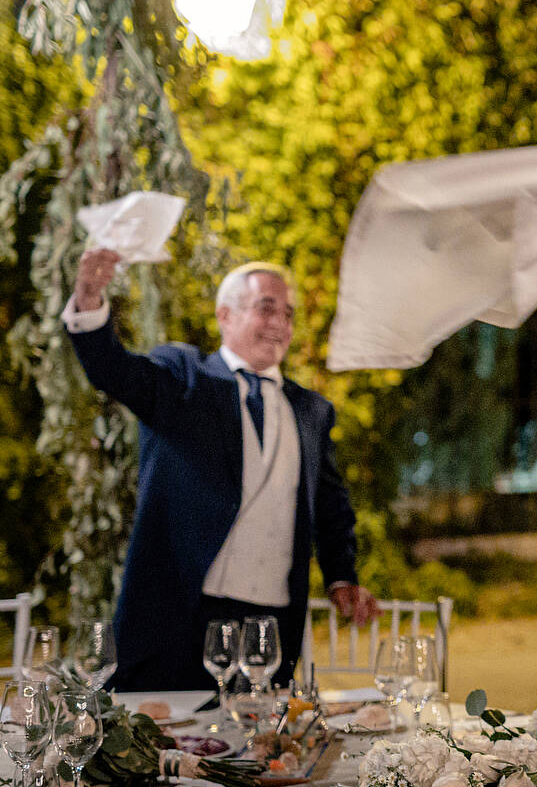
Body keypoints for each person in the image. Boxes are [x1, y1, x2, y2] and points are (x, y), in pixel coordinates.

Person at [64, 248, 379, 692]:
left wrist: (341, 575)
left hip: (271, 623)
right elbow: (115, 371)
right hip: (183, 616)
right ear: (225, 315)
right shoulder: (183, 378)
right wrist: (90, 299)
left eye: (288, 314)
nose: (280, 324)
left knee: (260, 752)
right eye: (266, 308)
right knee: (169, 748)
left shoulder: (311, 410)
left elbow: (329, 505)